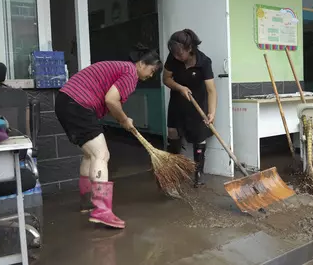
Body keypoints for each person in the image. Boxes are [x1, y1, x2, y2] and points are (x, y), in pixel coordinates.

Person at [55, 45, 162, 229]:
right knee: (101, 155)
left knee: (90, 155)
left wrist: (123, 120)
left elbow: (111, 101)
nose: (150, 76)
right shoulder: (130, 73)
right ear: (142, 64)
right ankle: (102, 210)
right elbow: (111, 100)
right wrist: (123, 119)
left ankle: (87, 203)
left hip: (66, 102)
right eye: (151, 71)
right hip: (78, 104)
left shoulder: (122, 68)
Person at [162, 29, 217, 187]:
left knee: (199, 137)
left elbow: (211, 90)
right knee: (173, 134)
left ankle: (198, 173)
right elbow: (166, 79)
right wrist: (180, 87)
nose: (177, 57)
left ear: (190, 49)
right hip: (177, 102)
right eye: (174, 54)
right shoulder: (173, 58)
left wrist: (211, 113)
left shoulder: (204, 62)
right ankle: (173, 170)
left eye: (180, 54)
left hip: (197, 103)